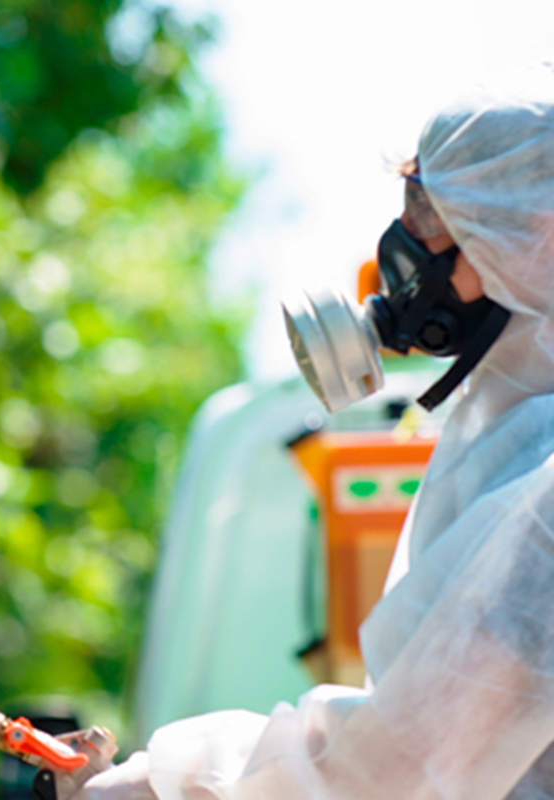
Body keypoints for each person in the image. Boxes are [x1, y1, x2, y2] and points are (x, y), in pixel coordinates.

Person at [75, 66, 554, 800]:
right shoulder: (514, 444)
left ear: (531, 239)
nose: (405, 245)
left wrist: (150, 785)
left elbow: (389, 774)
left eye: (433, 213)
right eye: (410, 203)